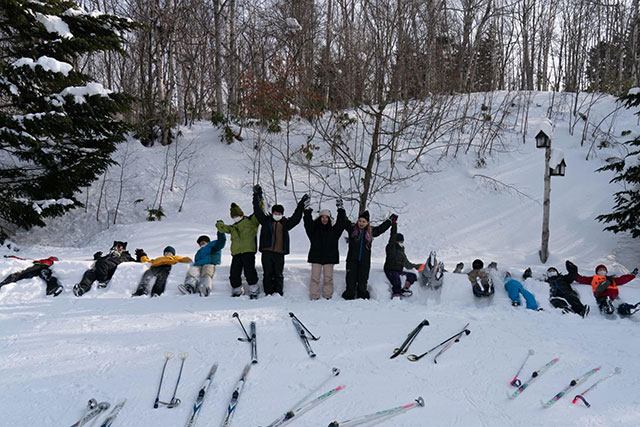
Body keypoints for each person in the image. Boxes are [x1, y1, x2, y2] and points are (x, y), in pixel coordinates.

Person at [252, 184, 307, 297]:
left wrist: (301, 204)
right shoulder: (266, 221)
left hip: (279, 253)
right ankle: (268, 292)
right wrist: (256, 195)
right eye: (275, 213)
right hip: (267, 252)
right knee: (267, 273)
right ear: (272, 213)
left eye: (279, 214)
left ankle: (278, 293)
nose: (277, 215)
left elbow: (296, 218)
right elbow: (257, 210)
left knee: (278, 274)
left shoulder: (285, 223)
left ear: (282, 214)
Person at [342, 210, 393, 300]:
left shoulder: (370, 232)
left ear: (367, 223)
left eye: (364, 222)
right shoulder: (352, 229)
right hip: (352, 259)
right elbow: (345, 221)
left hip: (364, 260)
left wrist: (389, 221)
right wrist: (341, 208)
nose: (361, 223)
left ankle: (362, 294)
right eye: (360, 221)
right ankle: (349, 294)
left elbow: (381, 229)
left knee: (363, 279)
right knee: (350, 278)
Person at [303, 199, 346, 300]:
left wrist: (341, 209)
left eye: (326, 217)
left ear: (330, 219)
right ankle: (314, 296)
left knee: (328, 279)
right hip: (316, 257)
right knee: (315, 279)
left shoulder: (334, 231)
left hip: (329, 258)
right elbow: (307, 222)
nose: (324, 219)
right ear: (319, 218)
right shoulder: (313, 230)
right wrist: (307, 210)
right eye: (322, 217)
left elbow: (341, 223)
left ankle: (327, 296)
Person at [216, 202, 261, 297]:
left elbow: (260, 211)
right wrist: (219, 223)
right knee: (234, 272)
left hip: (248, 251)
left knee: (249, 271)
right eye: (233, 217)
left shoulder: (251, 222)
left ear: (241, 215)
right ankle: (237, 288)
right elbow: (223, 228)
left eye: (237, 216)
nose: (235, 218)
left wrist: (259, 198)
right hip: (236, 253)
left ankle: (254, 287)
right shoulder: (233, 227)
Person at [179, 232, 226, 297]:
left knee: (207, 272)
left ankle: (206, 287)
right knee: (192, 271)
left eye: (203, 242)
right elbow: (196, 261)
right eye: (200, 243)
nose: (202, 244)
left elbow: (221, 242)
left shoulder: (212, 245)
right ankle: (189, 287)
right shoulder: (199, 252)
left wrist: (221, 232)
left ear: (208, 242)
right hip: (199, 265)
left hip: (210, 263)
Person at [384, 220, 421, 299]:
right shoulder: (391, 248)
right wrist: (394, 224)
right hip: (390, 270)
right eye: (399, 241)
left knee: (412, 276)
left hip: (398, 270)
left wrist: (419, 266)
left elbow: (407, 264)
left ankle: (405, 289)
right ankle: (396, 295)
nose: (401, 242)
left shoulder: (402, 251)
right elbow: (392, 237)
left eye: (402, 241)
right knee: (397, 281)